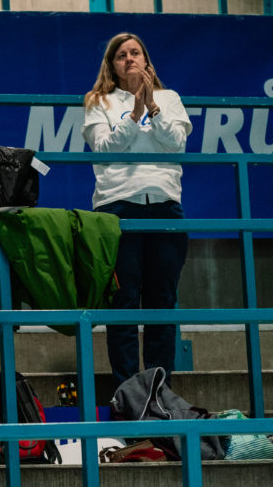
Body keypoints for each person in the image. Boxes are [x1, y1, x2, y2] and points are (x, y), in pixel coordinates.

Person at [82, 33, 192, 387]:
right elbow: (104, 149)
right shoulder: (98, 101)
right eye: (121, 55)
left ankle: (159, 391)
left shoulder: (169, 98)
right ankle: (127, 392)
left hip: (164, 204)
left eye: (135, 53)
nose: (129, 59)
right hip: (118, 206)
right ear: (112, 66)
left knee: (162, 302)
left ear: (146, 61)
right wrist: (134, 114)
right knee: (123, 302)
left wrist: (153, 107)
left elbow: (177, 144)